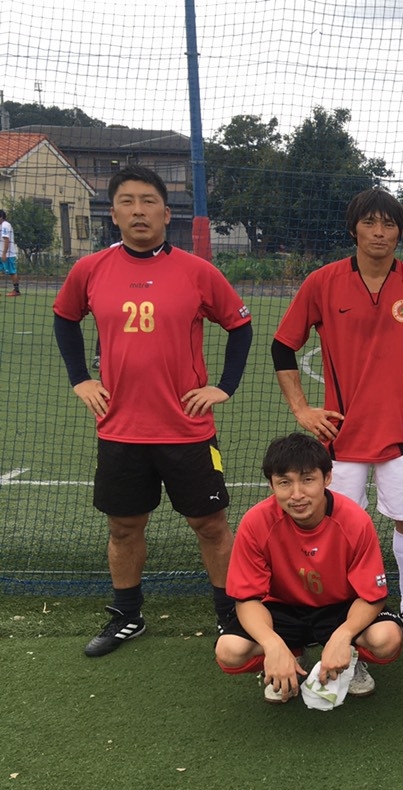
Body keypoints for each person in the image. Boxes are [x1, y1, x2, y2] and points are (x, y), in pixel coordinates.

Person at [52, 166, 253, 656]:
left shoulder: (197, 271)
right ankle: (127, 616)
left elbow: (240, 325)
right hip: (120, 429)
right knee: (123, 527)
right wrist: (81, 379)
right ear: (113, 213)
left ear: (166, 212)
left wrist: (223, 387)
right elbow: (64, 318)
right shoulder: (90, 269)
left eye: (148, 201)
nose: (138, 211)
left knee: (211, 525)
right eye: (127, 201)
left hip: (188, 430)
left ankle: (231, 617)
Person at [273, 187, 403, 640]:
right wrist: (302, 409)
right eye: (370, 223)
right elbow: (283, 345)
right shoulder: (323, 282)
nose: (379, 232)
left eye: (389, 224)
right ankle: (345, 605)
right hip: (339, 438)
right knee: (334, 526)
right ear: (354, 230)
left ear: (400, 232)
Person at [215, 433, 403, 703]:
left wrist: (344, 635)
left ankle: (349, 659)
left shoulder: (355, 520)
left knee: (386, 638)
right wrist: (272, 644)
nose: (297, 495)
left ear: (327, 478)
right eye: (284, 483)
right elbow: (246, 599)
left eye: (307, 480)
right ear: (271, 484)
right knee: (229, 650)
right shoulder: (255, 522)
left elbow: (372, 595)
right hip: (281, 610)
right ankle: (288, 655)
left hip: (339, 609)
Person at [0, 208, 20, 296]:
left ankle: (16, 290)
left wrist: (4, 253)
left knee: (12, 272)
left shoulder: (5, 225)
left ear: (1, 217)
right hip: (1, 253)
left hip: (8, 254)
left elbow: (6, 240)